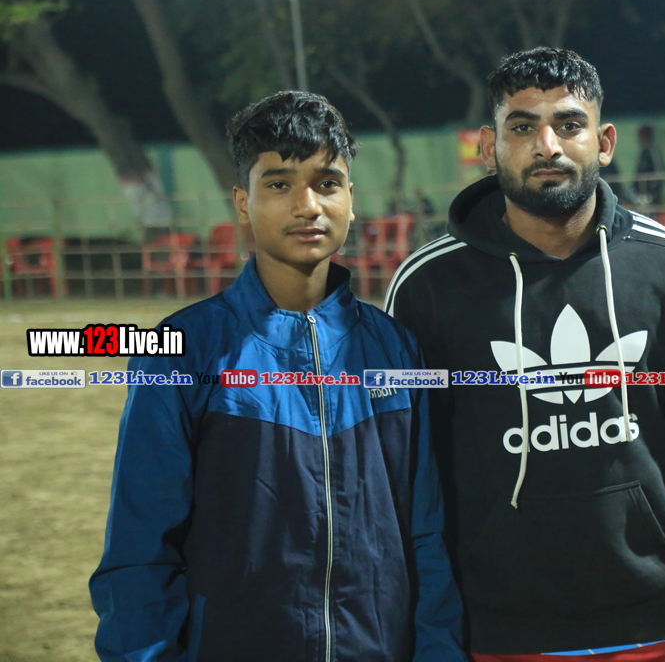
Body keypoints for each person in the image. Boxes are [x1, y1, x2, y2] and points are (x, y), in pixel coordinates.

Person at [385, 48, 665, 661]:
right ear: (490, 147)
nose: (547, 145)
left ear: (604, 142)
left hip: (653, 626)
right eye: (523, 127)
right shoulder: (427, 287)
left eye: (569, 124)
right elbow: (404, 473)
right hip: (492, 633)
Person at [89, 91, 465, 662]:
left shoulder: (397, 350)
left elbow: (426, 535)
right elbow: (141, 550)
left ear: (351, 200)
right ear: (243, 203)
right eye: (279, 184)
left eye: (327, 183)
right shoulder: (183, 352)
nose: (307, 205)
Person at [633, 124, 665, 207]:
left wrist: (653, 191)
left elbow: (660, 171)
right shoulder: (644, 152)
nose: (639, 139)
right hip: (641, 192)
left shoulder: (653, 151)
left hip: (651, 194)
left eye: (640, 136)